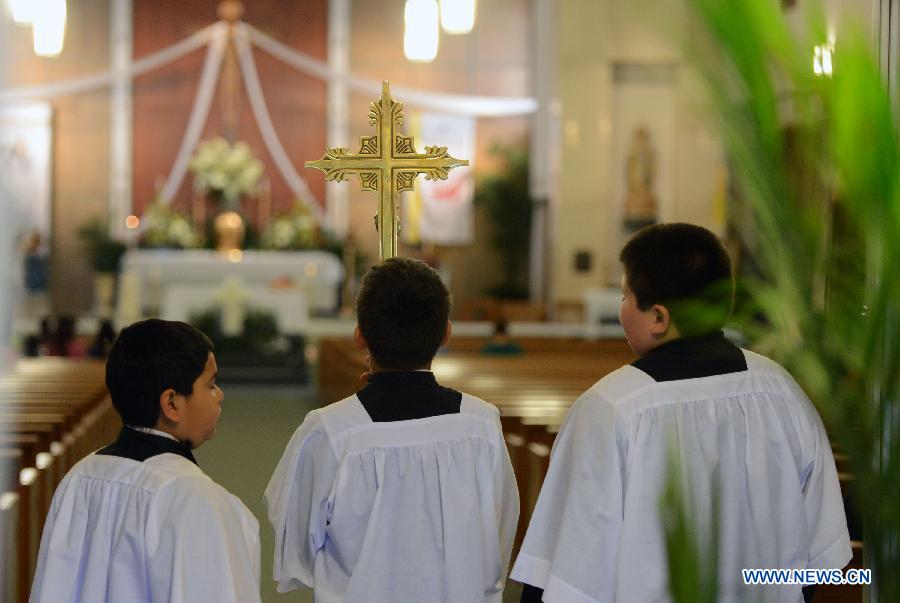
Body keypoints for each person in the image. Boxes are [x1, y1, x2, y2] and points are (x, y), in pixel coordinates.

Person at [511, 223, 851, 602]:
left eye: (625, 297)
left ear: (658, 317)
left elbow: (563, 573)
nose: (621, 310)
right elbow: (821, 556)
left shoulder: (611, 407)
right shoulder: (782, 391)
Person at [265, 257, 519, 602]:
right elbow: (500, 535)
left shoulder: (331, 432)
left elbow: (294, 542)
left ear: (359, 337)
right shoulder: (481, 425)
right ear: (446, 333)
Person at [30, 319, 261, 603]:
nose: (220, 394)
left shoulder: (80, 474)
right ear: (172, 404)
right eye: (211, 385)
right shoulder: (191, 496)